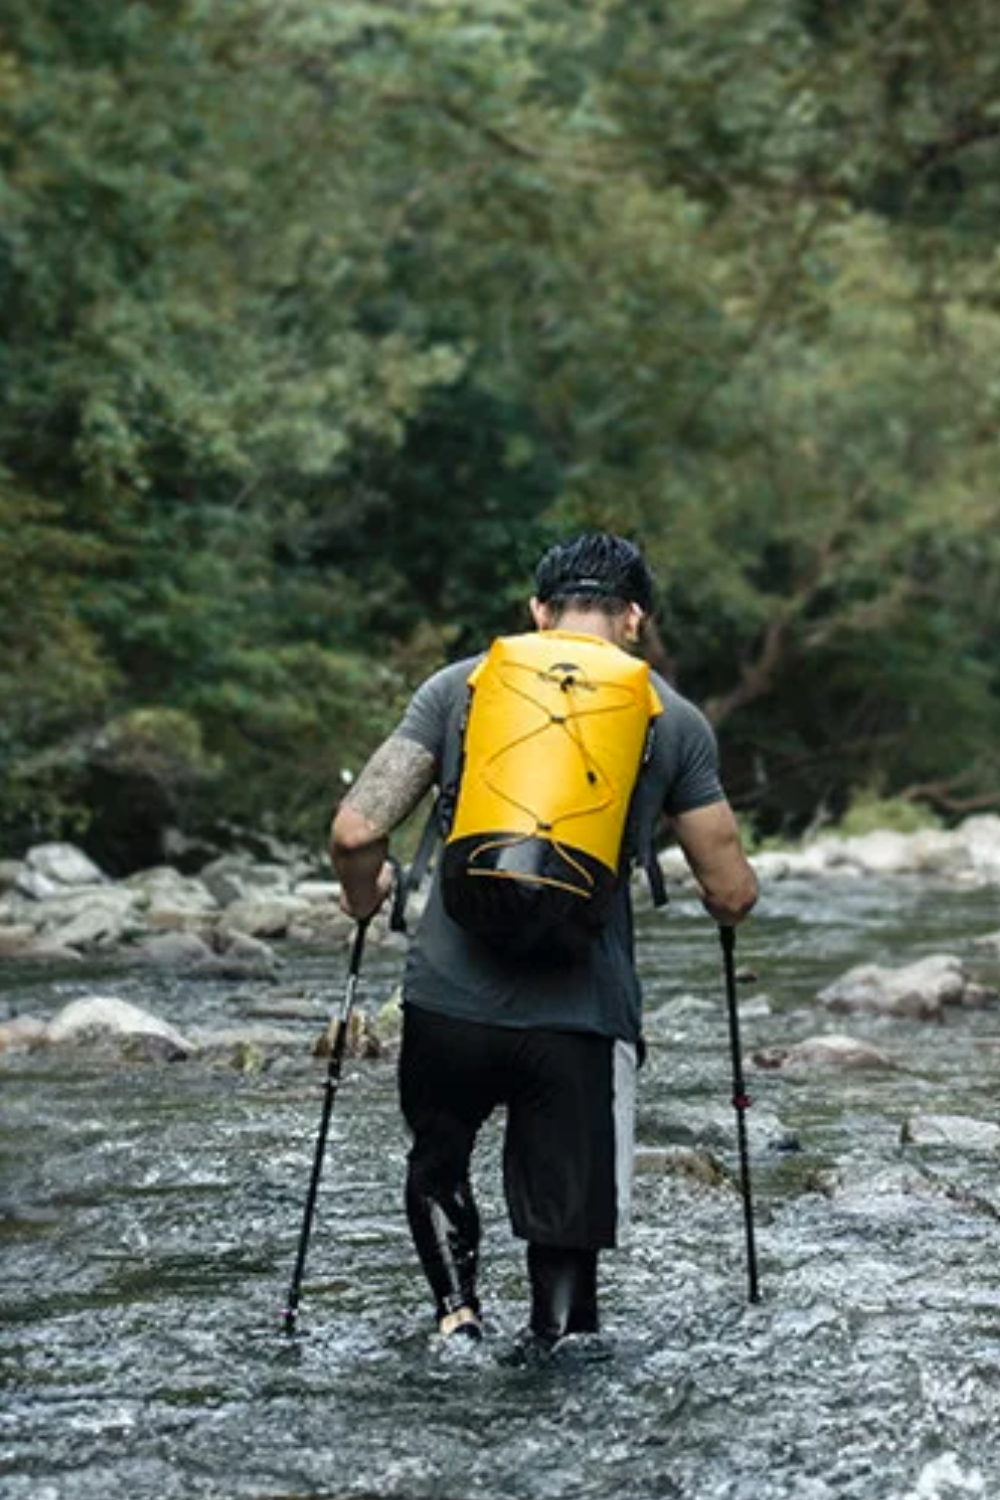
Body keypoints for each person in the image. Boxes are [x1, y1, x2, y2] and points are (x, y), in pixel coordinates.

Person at [330, 533, 757, 1353]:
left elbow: (355, 833)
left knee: (440, 1160)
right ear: (635, 619)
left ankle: (457, 1317)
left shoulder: (460, 688)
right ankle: (554, 1346)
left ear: (537, 611)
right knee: (566, 1232)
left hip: (450, 1004)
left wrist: (365, 897)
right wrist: (730, 908)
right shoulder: (674, 720)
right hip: (580, 1018)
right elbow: (730, 892)